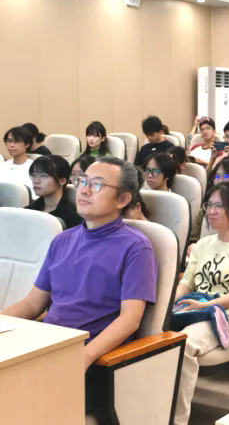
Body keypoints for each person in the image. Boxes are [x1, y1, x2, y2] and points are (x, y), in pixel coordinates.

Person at [1, 157, 157, 412]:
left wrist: (84, 356)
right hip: (46, 347)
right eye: (82, 181)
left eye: (97, 185)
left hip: (92, 360)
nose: (83, 190)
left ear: (122, 199)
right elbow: (32, 304)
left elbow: (130, 319)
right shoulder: (62, 240)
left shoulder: (136, 247)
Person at [174, 182, 229, 425]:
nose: (211, 211)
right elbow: (187, 283)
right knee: (153, 337)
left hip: (227, 317)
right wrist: (170, 302)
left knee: (183, 344)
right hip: (193, 308)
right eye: (209, 205)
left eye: (219, 206)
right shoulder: (203, 244)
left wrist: (204, 307)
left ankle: (177, 420)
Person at [25, 155, 82, 229]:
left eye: (44, 175)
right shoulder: (28, 211)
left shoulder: (72, 217)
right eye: (34, 175)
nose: (36, 181)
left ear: (62, 181)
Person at [1, 126, 35, 197]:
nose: (11, 145)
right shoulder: (3, 166)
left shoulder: (34, 168)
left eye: (16, 141)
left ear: (27, 144)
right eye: (9, 141)